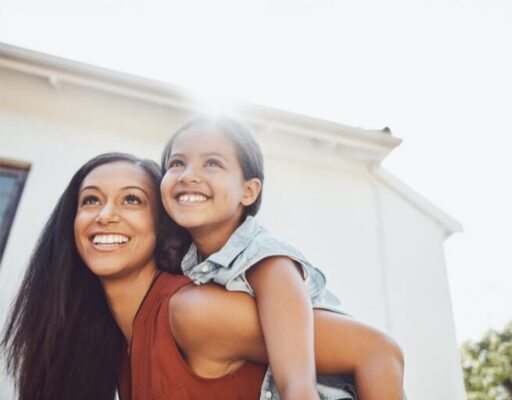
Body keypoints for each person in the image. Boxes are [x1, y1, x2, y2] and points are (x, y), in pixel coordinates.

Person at [2, 153, 404, 400]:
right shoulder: (120, 354)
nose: (106, 214)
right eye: (90, 200)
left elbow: (378, 350)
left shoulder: (191, 312)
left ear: (163, 222)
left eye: (131, 199)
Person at [160, 115, 402, 399]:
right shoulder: (187, 265)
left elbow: (297, 384)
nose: (188, 175)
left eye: (212, 163)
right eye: (177, 163)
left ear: (248, 192)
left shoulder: (268, 261)